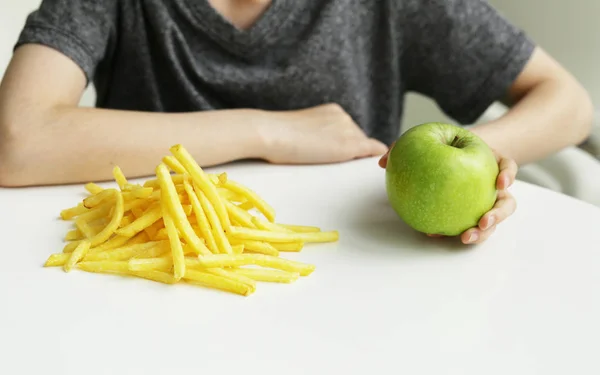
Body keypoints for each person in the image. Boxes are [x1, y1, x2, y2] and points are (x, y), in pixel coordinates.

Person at [0, 0, 593, 245]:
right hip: (154, 289)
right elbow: (16, 140)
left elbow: (568, 102)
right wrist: (270, 130)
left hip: (356, 278)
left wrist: (478, 160)